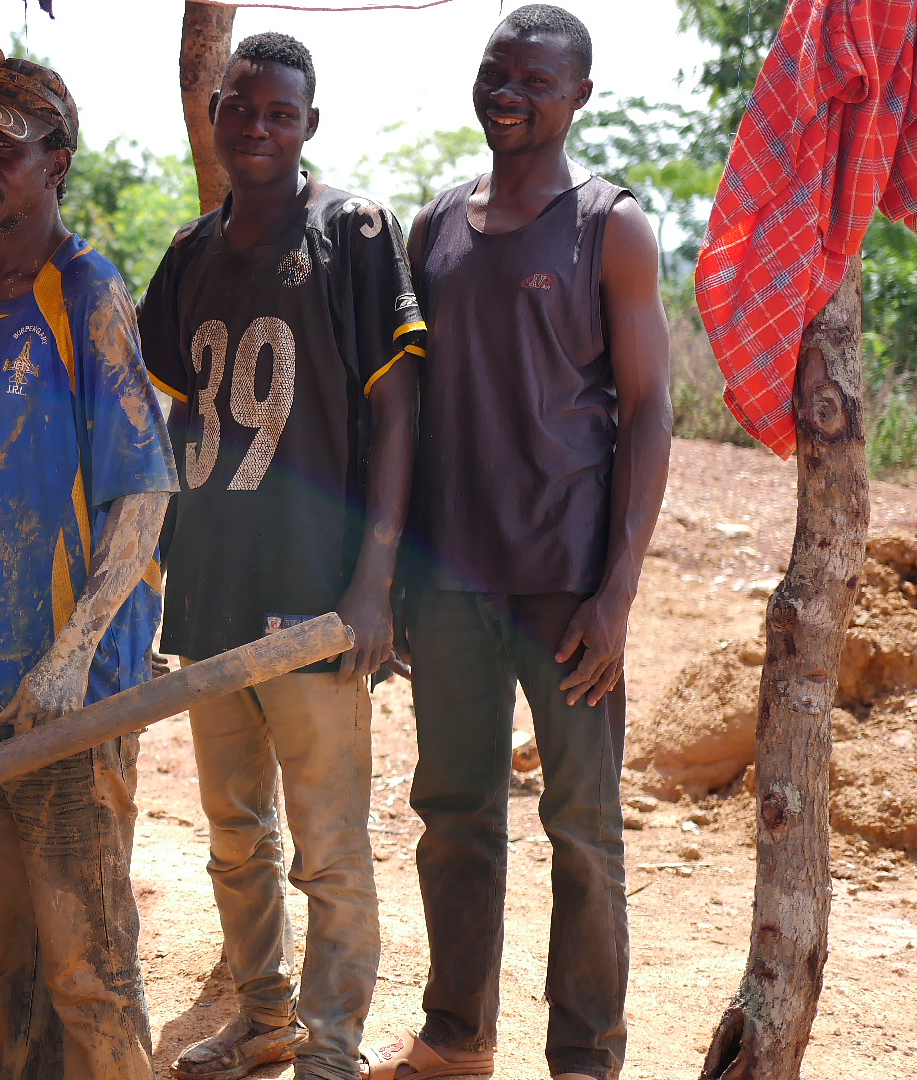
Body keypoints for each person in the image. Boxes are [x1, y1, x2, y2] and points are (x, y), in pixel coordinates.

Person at [370, 8, 671, 1080]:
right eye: (497, 73)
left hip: (567, 587)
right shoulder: (435, 227)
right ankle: (458, 1037)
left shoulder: (610, 227)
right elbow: (408, 407)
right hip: (450, 583)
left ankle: (585, 1057)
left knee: (583, 831)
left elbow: (647, 413)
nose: (511, 92)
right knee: (453, 816)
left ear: (578, 97)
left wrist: (618, 595)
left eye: (537, 80)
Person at [0, 50, 176, 1080]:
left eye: (0, 149)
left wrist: (74, 653)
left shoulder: (86, 292)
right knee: (15, 960)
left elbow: (144, 493)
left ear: (54, 163)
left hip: (74, 694)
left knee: (87, 963)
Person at [139, 31, 420, 1080]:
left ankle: (332, 1048)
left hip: (315, 596)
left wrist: (372, 582)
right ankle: (262, 1022)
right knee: (232, 834)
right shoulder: (188, 255)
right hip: (214, 594)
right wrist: (165, 556)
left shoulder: (349, 232)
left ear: (310, 125)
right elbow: (167, 420)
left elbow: (399, 412)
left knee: (331, 846)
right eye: (241, 108)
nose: (258, 126)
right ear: (214, 117)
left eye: (281, 113)